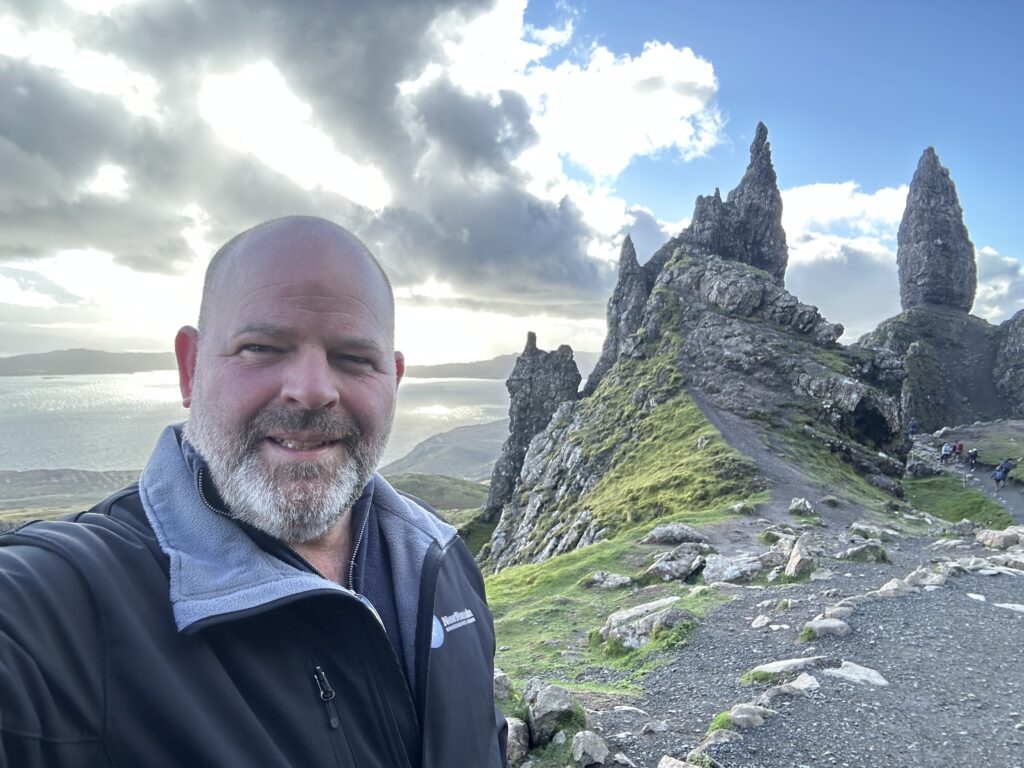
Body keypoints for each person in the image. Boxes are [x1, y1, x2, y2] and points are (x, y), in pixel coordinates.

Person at [0, 217, 509, 767]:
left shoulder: (444, 562)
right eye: (262, 347)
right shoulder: (66, 607)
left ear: (394, 380)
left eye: (356, 359)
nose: (312, 390)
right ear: (190, 369)